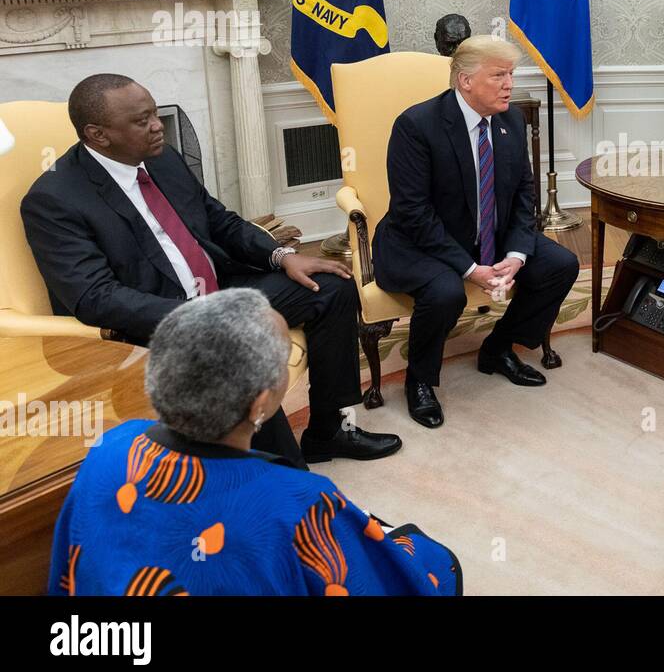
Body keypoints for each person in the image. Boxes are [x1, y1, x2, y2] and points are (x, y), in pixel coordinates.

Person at [20, 75, 400, 467]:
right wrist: (205, 318)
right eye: (142, 120)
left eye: (155, 113)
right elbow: (95, 297)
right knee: (238, 364)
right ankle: (284, 478)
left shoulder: (160, 158)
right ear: (98, 135)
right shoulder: (54, 200)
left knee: (331, 287)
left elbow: (218, 220)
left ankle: (327, 432)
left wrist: (281, 256)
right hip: (156, 321)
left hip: (219, 290)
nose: (157, 126)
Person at [48, 290, 460, 596]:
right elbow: (382, 585)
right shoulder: (300, 501)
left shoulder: (109, 447)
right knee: (438, 561)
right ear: (261, 403)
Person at [374, 36, 579, 430]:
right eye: (499, 75)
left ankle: (498, 349)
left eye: (511, 74)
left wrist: (517, 254)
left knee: (560, 264)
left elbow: (524, 193)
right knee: (446, 290)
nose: (509, 84)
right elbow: (412, 213)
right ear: (465, 81)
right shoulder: (416, 125)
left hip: (489, 233)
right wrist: (470, 269)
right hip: (418, 241)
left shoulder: (511, 120)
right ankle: (419, 379)